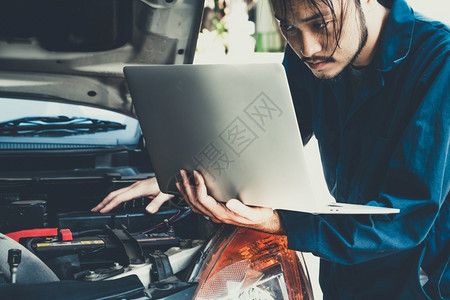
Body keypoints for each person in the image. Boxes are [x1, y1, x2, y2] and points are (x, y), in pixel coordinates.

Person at [92, 0, 449, 298]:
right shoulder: (314, 57)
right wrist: (184, 170)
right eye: (289, 28)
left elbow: (406, 217)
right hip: (343, 271)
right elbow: (269, 129)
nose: (307, 47)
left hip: (417, 279)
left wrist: (279, 222)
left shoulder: (439, 64)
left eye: (320, 24)